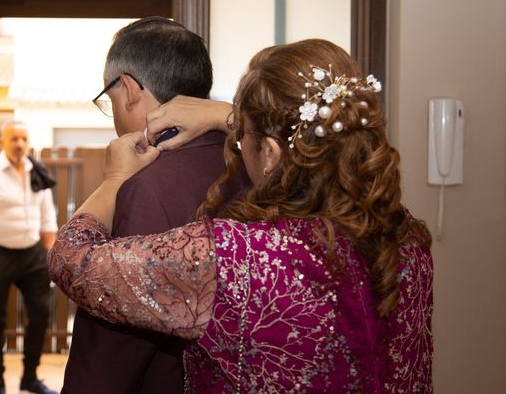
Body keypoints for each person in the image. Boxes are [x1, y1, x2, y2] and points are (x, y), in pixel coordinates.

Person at [48, 38, 433, 393]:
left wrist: (114, 179)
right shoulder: (407, 239)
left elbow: (70, 258)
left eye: (243, 134)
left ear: (269, 152)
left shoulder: (236, 258)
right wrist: (226, 116)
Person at [60, 17, 248, 394]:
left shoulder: (145, 186)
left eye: (108, 98)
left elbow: (113, 346)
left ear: (128, 89)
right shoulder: (247, 167)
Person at [0, 120, 59, 394]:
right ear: (1, 142)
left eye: (23, 138)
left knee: (41, 314)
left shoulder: (35, 171)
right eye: (13, 138)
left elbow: (47, 214)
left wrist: (50, 252)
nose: (19, 144)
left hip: (33, 254)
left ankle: (30, 377)